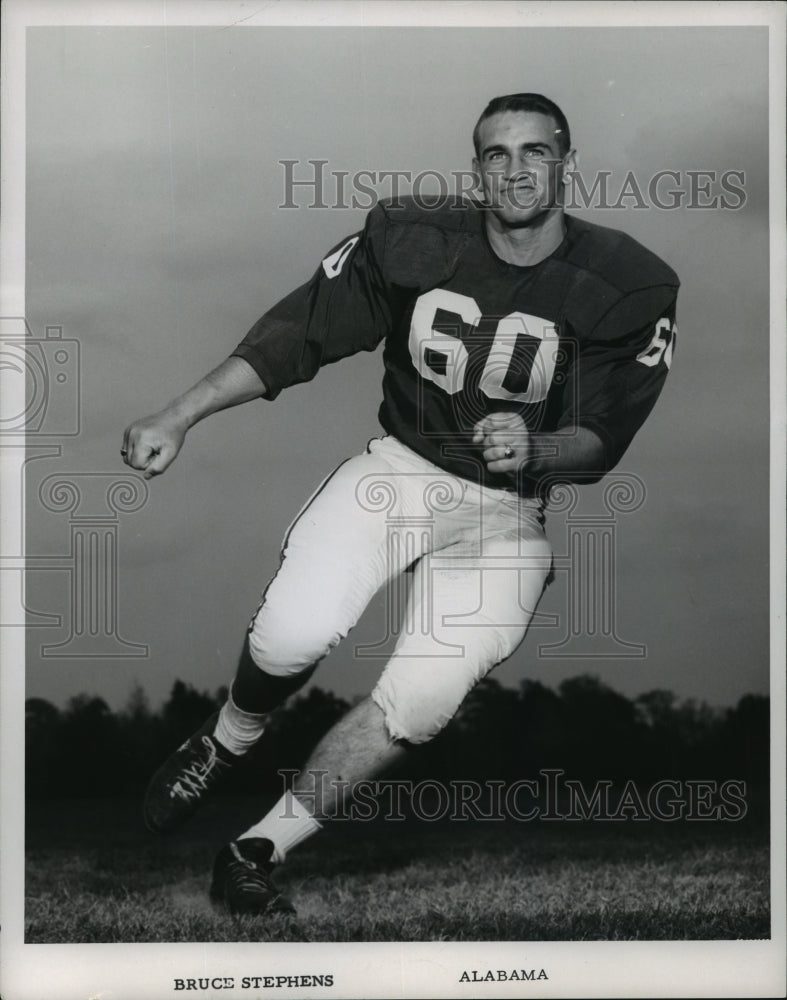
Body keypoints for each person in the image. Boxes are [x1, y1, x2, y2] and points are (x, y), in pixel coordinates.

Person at [122, 93, 678, 916]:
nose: (516, 169)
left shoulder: (628, 281)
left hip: (509, 510)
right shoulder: (412, 234)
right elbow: (298, 333)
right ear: (476, 169)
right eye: (496, 153)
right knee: (295, 631)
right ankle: (224, 741)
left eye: (535, 151)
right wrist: (179, 413)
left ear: (566, 161)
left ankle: (256, 849)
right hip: (403, 471)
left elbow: (604, 437)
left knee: (419, 703)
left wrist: (538, 449)